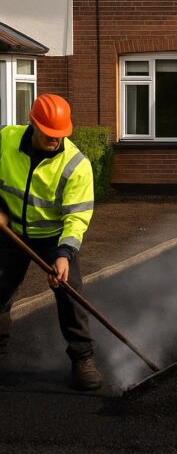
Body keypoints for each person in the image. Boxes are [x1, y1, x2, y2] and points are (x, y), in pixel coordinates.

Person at [0, 94, 100, 390]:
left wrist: (64, 253)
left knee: (70, 294)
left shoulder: (76, 165)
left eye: (60, 134)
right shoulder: (5, 140)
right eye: (48, 133)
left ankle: (82, 359)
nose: (55, 139)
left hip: (54, 238)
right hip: (11, 231)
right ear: (32, 124)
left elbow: (76, 217)